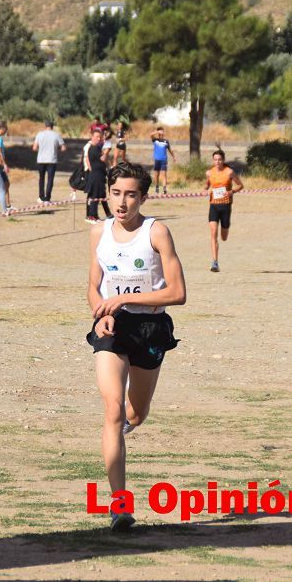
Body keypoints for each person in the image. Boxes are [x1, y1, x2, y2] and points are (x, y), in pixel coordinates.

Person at [86, 162, 185, 532]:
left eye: (130, 194)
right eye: (116, 193)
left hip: (151, 326)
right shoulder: (98, 232)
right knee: (112, 409)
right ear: (107, 193)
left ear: (143, 197)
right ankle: (119, 507)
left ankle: (117, 434)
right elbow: (93, 286)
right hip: (111, 326)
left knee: (135, 414)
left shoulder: (156, 232)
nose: (122, 202)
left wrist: (128, 299)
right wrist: (102, 310)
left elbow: (178, 293)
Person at [204, 148, 243, 273]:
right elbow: (206, 186)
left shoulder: (229, 172)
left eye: (220, 159)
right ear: (213, 160)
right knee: (213, 232)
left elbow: (240, 185)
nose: (217, 162)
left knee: (224, 236)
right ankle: (215, 262)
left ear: (223, 160)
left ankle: (225, 230)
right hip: (214, 206)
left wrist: (231, 192)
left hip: (225, 206)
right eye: (215, 160)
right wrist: (206, 190)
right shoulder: (209, 173)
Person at [32, 119, 66, 203]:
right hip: (52, 159)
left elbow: (34, 148)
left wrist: (41, 149)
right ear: (52, 126)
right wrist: (56, 148)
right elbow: (63, 148)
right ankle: (47, 197)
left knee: (41, 178)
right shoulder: (56, 135)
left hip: (41, 160)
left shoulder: (40, 134)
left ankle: (41, 196)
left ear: (45, 126)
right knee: (50, 179)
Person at [84, 128, 111, 223]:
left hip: (98, 174)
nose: (98, 139)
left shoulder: (96, 147)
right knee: (94, 196)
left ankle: (100, 214)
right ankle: (92, 216)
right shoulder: (94, 148)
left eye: (100, 137)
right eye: (96, 137)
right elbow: (103, 158)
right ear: (92, 137)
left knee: (98, 195)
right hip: (96, 175)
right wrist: (107, 151)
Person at [150, 127, 175, 195]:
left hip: (164, 160)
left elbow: (170, 150)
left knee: (164, 174)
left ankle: (164, 189)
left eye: (162, 132)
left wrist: (173, 157)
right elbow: (151, 135)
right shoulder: (155, 140)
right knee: (156, 175)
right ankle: (157, 188)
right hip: (157, 160)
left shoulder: (166, 141)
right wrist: (157, 132)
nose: (162, 133)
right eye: (161, 132)